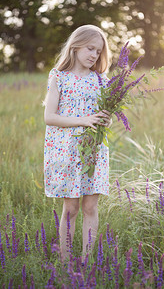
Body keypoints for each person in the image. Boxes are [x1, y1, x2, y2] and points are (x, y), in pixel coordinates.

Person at [44, 24, 112, 264]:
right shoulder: (59, 76)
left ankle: (87, 261)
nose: (94, 54)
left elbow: (104, 117)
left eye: (98, 51)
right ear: (75, 46)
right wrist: (82, 121)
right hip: (65, 149)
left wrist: (106, 118)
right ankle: (64, 261)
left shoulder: (101, 80)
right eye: (90, 48)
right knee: (71, 208)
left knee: (90, 206)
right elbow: (49, 117)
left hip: (93, 150)